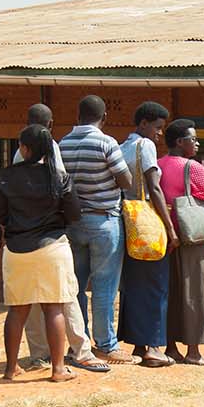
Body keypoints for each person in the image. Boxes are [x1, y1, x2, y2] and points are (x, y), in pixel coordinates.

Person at [17, 104, 103, 374]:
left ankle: (40, 355)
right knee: (65, 295)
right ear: (51, 124)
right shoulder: (54, 152)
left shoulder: (18, 158)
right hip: (52, 238)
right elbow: (69, 203)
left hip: (23, 240)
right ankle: (80, 351)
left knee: (30, 300)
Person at [0, 124, 80, 383]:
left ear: (25, 148)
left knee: (17, 310)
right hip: (52, 247)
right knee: (54, 308)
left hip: (17, 249)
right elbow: (74, 214)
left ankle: (10, 369)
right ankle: (58, 369)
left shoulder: (8, 176)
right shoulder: (59, 177)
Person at [58, 95, 135, 364]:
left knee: (75, 287)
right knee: (104, 287)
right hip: (104, 221)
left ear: (77, 116)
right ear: (104, 118)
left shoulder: (63, 144)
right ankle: (106, 345)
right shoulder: (106, 142)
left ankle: (80, 345)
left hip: (73, 223)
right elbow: (125, 180)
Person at [117, 101, 178, 367]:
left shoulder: (122, 147)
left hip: (127, 222)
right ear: (143, 124)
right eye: (157, 127)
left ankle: (138, 344)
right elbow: (154, 186)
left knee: (134, 285)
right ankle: (153, 347)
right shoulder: (146, 146)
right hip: (147, 222)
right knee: (156, 285)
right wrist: (170, 228)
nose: (159, 133)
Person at [156, 118, 204, 366]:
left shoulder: (158, 165)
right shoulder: (192, 167)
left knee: (170, 293)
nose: (197, 143)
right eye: (193, 139)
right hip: (192, 238)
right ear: (181, 142)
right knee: (195, 294)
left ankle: (170, 347)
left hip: (166, 237)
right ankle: (193, 351)